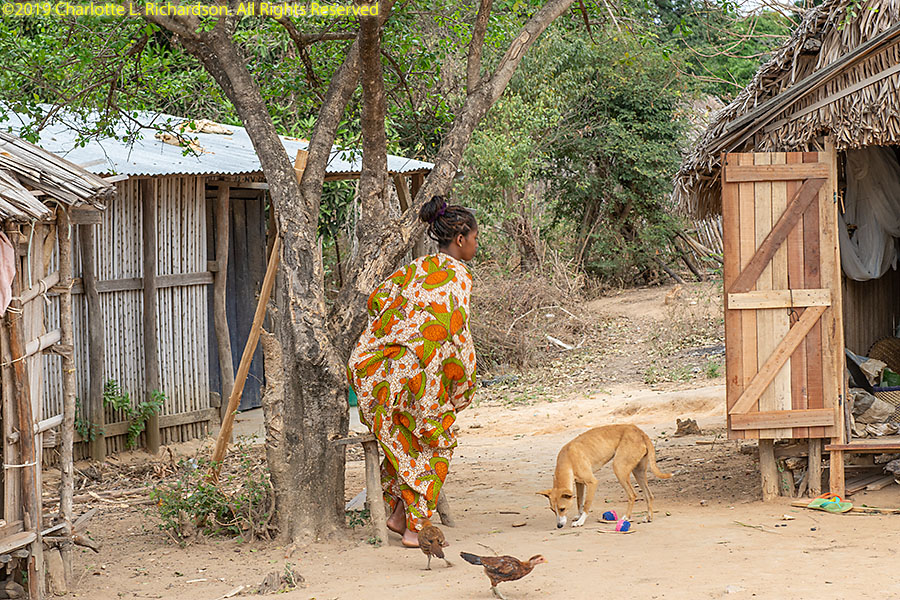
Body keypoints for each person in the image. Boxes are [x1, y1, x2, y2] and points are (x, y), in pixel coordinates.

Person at [348, 195, 478, 547]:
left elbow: (377, 300)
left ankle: (397, 514)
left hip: (379, 379)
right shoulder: (459, 277)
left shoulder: (415, 268)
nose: (476, 245)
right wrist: (463, 382)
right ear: (461, 238)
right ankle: (414, 528)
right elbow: (453, 336)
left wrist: (401, 336)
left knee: (405, 438)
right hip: (417, 381)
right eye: (475, 238)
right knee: (438, 441)